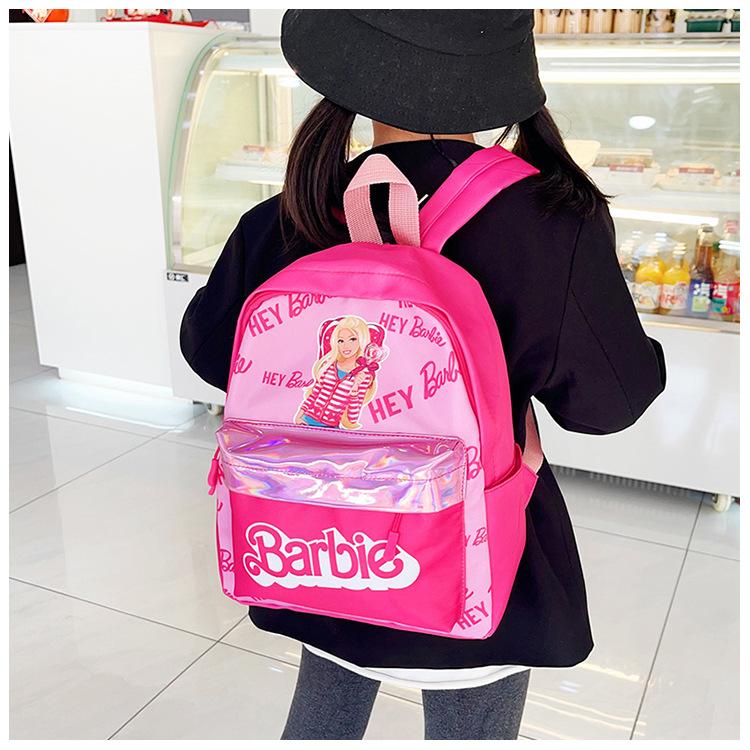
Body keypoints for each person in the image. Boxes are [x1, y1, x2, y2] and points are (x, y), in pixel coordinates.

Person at [180, 10, 666, 741]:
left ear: (350, 72)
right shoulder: (551, 221)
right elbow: (606, 406)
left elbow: (208, 351)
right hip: (469, 560)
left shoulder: (290, 211)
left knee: (323, 713)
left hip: (316, 549)